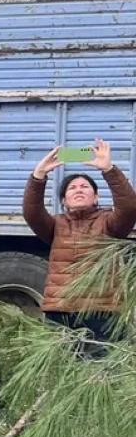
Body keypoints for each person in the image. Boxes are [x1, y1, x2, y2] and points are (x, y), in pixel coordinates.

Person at [23, 139, 136, 339]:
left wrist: (109, 169)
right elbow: (32, 213)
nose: (79, 189)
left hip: (102, 310)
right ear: (64, 201)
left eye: (85, 186)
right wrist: (38, 175)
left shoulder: (109, 223)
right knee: (61, 366)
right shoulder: (55, 226)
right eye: (72, 188)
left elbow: (129, 208)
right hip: (60, 310)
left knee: (101, 367)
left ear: (96, 197)